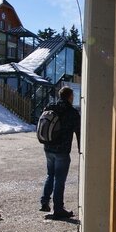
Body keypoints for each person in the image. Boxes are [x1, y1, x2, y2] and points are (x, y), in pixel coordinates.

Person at [40, 87, 80, 219]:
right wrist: (81, 150)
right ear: (70, 96)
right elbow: (79, 133)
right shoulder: (72, 112)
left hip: (48, 147)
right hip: (62, 151)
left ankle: (45, 202)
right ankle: (58, 209)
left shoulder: (50, 106)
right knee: (60, 179)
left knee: (50, 175)